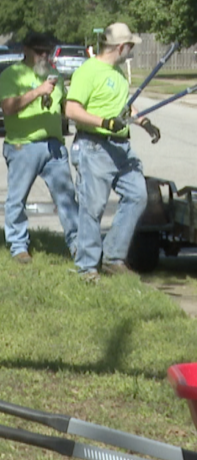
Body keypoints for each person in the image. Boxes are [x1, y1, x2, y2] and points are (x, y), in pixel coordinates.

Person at [63, 22, 160, 283]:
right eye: (130, 46)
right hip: (94, 146)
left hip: (120, 148)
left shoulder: (117, 74)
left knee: (138, 195)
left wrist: (143, 122)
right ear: (121, 47)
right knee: (92, 208)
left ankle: (113, 257)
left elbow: (122, 108)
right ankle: (87, 268)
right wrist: (104, 122)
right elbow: (71, 110)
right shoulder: (89, 71)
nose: (132, 51)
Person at [0, 31, 79, 264]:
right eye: (39, 51)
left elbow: (65, 108)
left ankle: (78, 246)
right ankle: (18, 246)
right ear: (25, 50)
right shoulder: (12, 75)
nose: (44, 55)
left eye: (48, 51)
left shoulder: (55, 76)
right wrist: (37, 92)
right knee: (17, 198)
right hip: (23, 145)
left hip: (54, 146)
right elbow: (8, 108)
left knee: (66, 198)